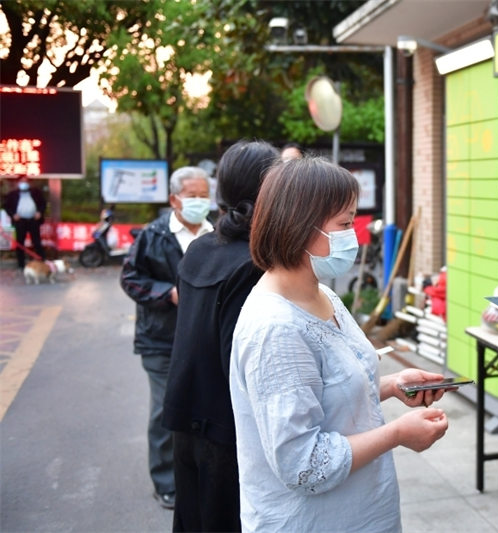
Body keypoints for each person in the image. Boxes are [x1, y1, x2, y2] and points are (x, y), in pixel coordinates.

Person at [230, 157, 449, 533]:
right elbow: (303, 464)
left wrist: (392, 386)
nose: (355, 236)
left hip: (362, 511)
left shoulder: (323, 293)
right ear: (298, 226)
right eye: (345, 224)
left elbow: (323, 396)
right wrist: (397, 433)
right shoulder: (275, 331)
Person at [162, 140, 279, 531]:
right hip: (227, 430)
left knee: (191, 520)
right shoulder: (256, 263)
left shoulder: (199, 248)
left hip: (186, 414)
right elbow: (247, 363)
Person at [120, 166, 213, 510]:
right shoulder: (153, 235)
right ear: (174, 199)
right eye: (193, 196)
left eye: (205, 195)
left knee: (202, 408)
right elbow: (130, 278)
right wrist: (167, 294)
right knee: (165, 409)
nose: (200, 201)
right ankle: (165, 481)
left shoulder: (213, 232)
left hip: (202, 339)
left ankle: (194, 474)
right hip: (161, 340)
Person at [3, 177, 47, 268]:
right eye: (22, 181)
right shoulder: (13, 194)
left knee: (37, 242)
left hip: (33, 220)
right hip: (20, 221)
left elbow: (43, 204)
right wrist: (13, 215)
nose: (24, 183)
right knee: (20, 243)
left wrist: (39, 212)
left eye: (26, 181)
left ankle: (42, 261)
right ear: (18, 183)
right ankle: (21, 265)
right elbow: (7, 207)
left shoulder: (36, 193)